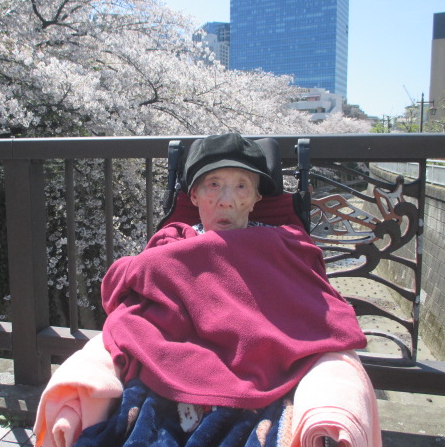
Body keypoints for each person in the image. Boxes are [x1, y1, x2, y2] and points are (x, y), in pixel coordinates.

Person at [50, 133, 377, 446]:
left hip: (259, 381)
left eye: (241, 186)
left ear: (257, 197)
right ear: (193, 196)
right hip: (173, 375)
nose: (226, 200)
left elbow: (319, 309)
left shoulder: (284, 247)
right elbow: (125, 295)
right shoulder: (171, 245)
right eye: (214, 185)